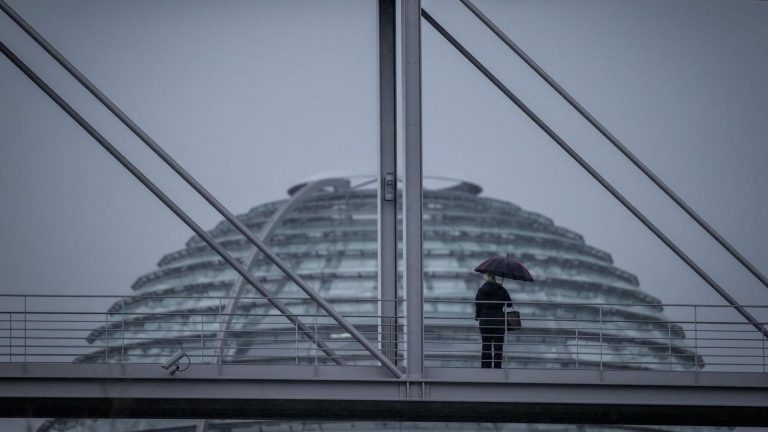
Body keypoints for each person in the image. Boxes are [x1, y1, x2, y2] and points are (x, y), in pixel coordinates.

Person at [474, 272, 513, 369]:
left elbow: (478, 305)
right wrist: (502, 293)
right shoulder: (501, 289)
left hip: (485, 321)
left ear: (487, 277)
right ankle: (497, 368)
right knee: (498, 347)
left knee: (486, 345)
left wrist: (477, 316)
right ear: (494, 277)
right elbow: (509, 304)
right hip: (499, 321)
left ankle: (485, 368)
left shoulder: (481, 290)